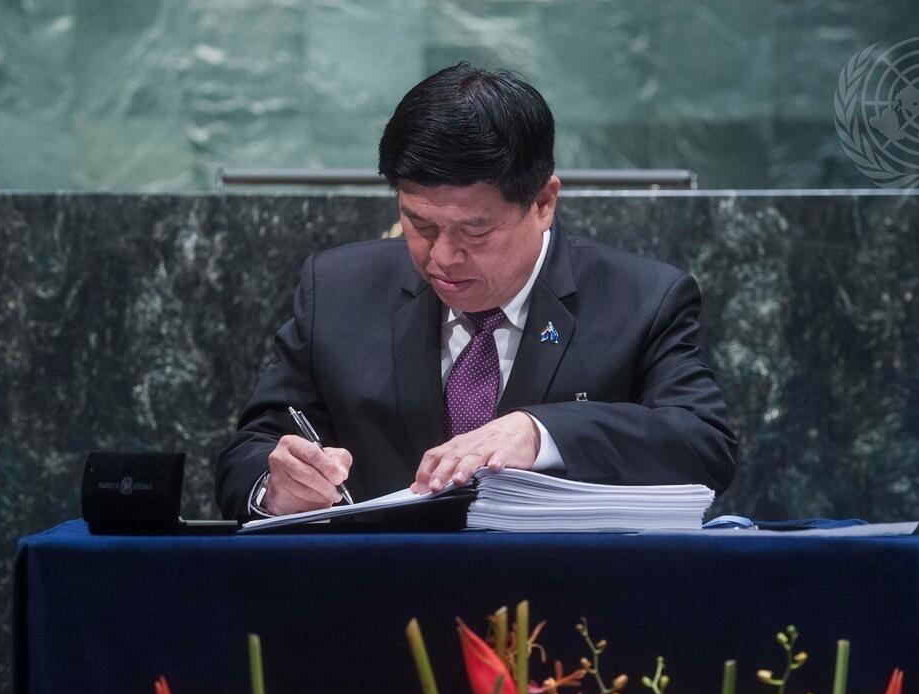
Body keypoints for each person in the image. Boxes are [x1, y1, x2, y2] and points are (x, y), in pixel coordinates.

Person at [216, 63, 736, 520]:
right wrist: (275, 488)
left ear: (543, 202)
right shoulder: (338, 291)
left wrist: (540, 433)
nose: (442, 257)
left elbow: (703, 443)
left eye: (475, 230)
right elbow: (250, 451)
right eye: (419, 224)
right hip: (377, 585)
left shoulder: (642, 299)